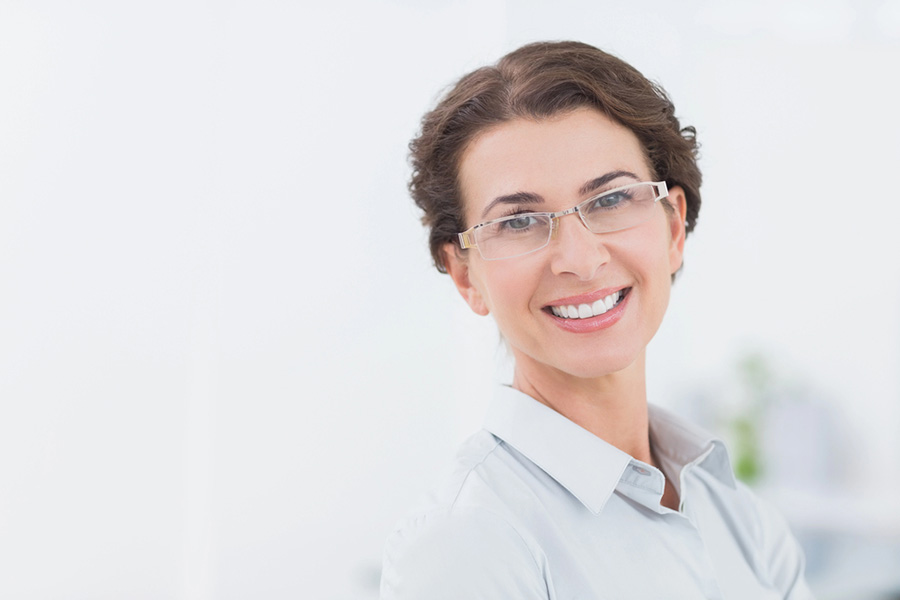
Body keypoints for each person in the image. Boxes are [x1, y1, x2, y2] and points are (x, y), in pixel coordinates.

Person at [381, 41, 813, 599]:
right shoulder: (469, 545)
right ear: (465, 275)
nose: (581, 260)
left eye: (610, 201)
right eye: (519, 222)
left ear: (674, 230)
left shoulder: (738, 516)